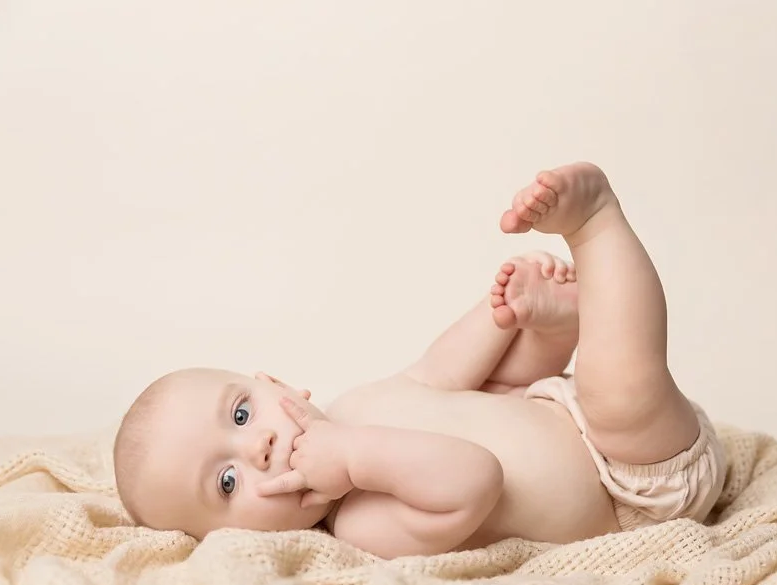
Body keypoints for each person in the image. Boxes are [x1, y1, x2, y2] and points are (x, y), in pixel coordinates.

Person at [112, 162, 727, 558]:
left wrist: (498, 315)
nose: (258, 449)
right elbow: (473, 478)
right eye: (227, 482)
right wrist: (352, 460)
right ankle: (596, 226)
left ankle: (553, 326)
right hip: (636, 485)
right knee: (618, 394)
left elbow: (438, 374)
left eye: (241, 414)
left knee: (498, 381)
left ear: (272, 383)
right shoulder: (362, 527)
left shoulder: (354, 406)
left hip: (549, 406)